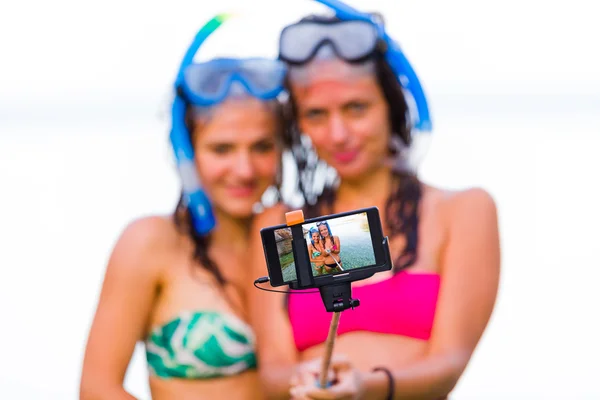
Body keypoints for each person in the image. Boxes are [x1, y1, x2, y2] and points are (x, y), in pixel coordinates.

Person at [248, 3, 500, 400]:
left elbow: (450, 361)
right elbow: (274, 370)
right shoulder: (281, 222)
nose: (338, 133)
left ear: (392, 106)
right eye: (316, 114)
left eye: (356, 108)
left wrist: (365, 386)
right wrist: (314, 381)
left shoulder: (463, 211)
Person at [80, 14, 287, 400]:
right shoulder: (150, 242)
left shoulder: (291, 235)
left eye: (262, 147)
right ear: (185, 153)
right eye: (222, 149)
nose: (244, 169)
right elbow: (97, 388)